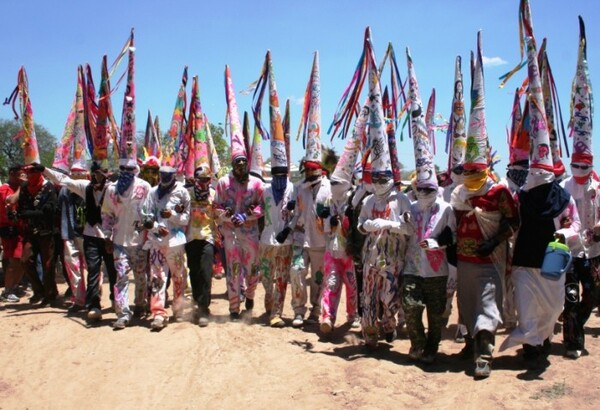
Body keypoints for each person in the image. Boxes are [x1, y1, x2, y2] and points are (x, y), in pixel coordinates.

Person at [43, 161, 118, 321]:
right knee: (93, 269)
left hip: (110, 236)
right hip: (91, 234)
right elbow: (63, 180)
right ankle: (94, 305)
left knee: (113, 270)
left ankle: (115, 299)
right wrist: (44, 170)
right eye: (97, 174)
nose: (100, 177)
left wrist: (111, 236)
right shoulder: (86, 187)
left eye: (103, 174)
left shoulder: (113, 189)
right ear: (92, 175)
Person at [102, 163, 151, 329]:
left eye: (130, 170)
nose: (126, 173)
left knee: (140, 275)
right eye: (123, 169)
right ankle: (123, 313)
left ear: (135, 171)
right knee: (121, 277)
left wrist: (149, 230)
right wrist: (107, 236)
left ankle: (140, 303)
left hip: (139, 241)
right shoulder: (111, 189)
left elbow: (150, 211)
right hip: (119, 241)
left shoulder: (144, 187)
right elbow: (107, 213)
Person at [143, 165, 190, 330]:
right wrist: (156, 227)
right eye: (161, 175)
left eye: (167, 176)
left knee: (178, 275)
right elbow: (146, 216)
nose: (163, 179)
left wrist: (173, 216)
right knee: (157, 277)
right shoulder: (152, 192)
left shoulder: (182, 193)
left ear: (173, 176)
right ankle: (158, 313)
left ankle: (178, 308)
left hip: (175, 242)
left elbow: (185, 219)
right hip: (156, 242)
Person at [17, 163, 59, 306]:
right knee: (25, 260)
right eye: (27, 172)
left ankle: (50, 294)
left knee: (48, 264)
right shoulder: (24, 188)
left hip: (47, 231)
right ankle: (38, 291)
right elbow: (22, 209)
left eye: (32, 172)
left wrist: (30, 213)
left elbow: (50, 211)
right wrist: (30, 214)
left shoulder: (49, 187)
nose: (29, 175)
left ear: (38, 173)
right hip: (30, 231)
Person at [186, 164, 216, 327]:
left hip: (208, 238)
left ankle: (204, 308)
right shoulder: (188, 194)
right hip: (190, 238)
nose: (203, 183)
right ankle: (198, 303)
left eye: (207, 179)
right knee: (194, 272)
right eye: (200, 179)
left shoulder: (213, 194)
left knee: (206, 272)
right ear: (195, 180)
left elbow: (217, 214)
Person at [0, 165, 26, 303]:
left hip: (21, 229)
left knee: (23, 260)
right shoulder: (5, 188)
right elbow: (10, 200)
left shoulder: (19, 188)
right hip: (9, 229)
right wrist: (23, 186)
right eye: (19, 174)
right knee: (13, 262)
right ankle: (7, 290)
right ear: (12, 174)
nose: (22, 177)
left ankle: (15, 286)